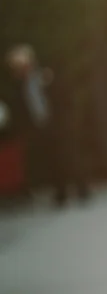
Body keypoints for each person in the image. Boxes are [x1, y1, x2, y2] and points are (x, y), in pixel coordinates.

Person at [3, 44, 89, 206]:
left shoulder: (45, 75)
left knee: (69, 157)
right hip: (41, 125)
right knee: (52, 160)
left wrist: (66, 119)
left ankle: (82, 188)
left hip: (59, 123)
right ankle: (61, 193)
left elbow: (62, 96)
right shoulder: (20, 86)